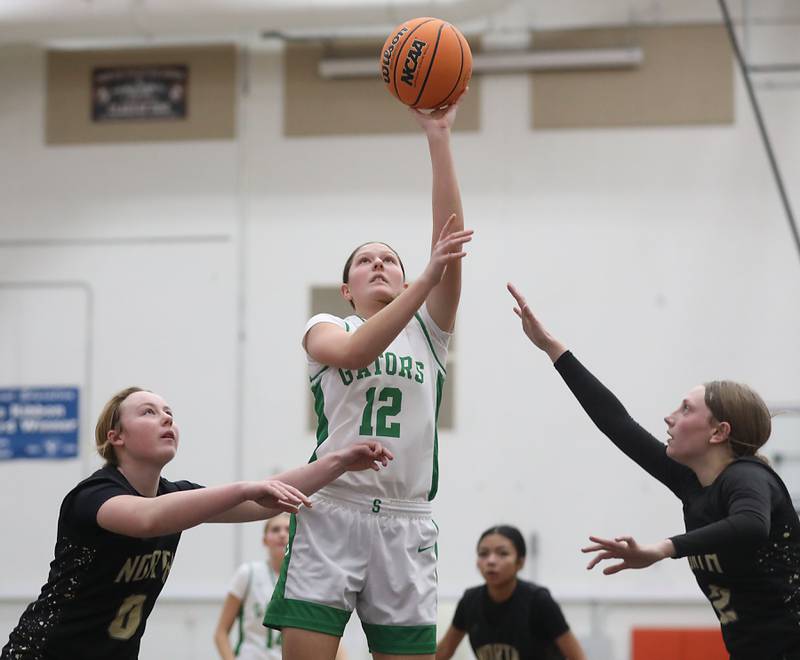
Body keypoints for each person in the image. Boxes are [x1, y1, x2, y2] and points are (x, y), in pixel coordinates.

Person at [264, 98, 473, 660]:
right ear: (347, 290)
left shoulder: (430, 332)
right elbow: (355, 354)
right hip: (333, 507)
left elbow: (448, 245)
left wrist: (440, 136)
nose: (379, 263)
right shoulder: (327, 326)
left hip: (406, 523)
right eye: (365, 260)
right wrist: (422, 278)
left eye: (391, 258)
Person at [506, 283, 800, 660]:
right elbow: (616, 422)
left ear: (719, 432)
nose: (669, 417)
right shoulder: (690, 481)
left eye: (686, 409)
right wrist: (552, 348)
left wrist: (663, 548)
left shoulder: (748, 476)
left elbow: (751, 524)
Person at [2, 386, 392, 660]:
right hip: (44, 651)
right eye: (149, 412)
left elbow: (264, 505)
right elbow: (148, 519)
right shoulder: (93, 496)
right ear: (115, 436)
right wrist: (242, 487)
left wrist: (338, 462)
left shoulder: (176, 494)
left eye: (169, 412)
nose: (166, 418)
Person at [436, 525, 586, 660]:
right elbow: (443, 652)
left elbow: (577, 656)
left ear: (520, 562)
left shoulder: (539, 600)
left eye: (503, 553)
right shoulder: (469, 601)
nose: (491, 561)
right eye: (483, 554)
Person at [213, 513, 347, 660]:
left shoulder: (310, 578)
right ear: (264, 540)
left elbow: (325, 632)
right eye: (275, 530)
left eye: (287, 529)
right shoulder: (248, 573)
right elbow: (221, 632)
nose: (282, 534)